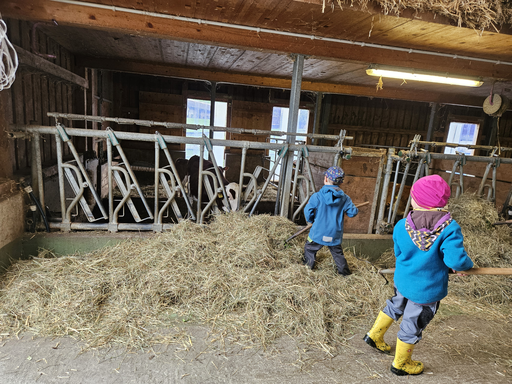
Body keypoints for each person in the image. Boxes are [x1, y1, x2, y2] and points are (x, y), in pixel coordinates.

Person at [363, 174, 474, 376]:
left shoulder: (401, 225)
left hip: (403, 280)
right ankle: (401, 363)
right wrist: (465, 266)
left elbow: (399, 253)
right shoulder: (449, 229)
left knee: (396, 304)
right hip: (425, 290)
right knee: (412, 323)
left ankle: (374, 335)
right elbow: (456, 261)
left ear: (415, 200)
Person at [303, 166, 358, 276]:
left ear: (326, 179)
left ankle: (307, 268)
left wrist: (311, 220)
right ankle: (345, 274)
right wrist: (352, 208)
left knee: (309, 248)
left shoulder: (317, 196)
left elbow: (308, 211)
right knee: (338, 254)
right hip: (334, 234)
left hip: (318, 232)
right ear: (341, 183)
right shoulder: (345, 199)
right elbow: (352, 213)